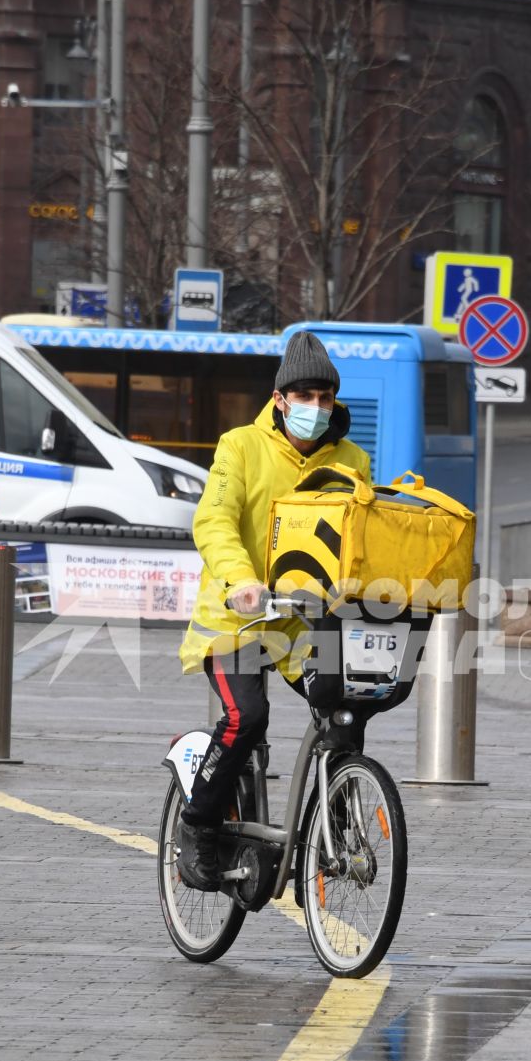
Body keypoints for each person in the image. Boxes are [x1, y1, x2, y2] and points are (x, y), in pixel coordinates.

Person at [172, 332, 371, 891]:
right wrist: (240, 582)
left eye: (324, 396)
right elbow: (213, 520)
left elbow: (362, 538)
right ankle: (198, 827)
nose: (314, 407)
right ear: (279, 398)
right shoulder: (240, 446)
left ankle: (329, 838)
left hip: (307, 623)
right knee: (246, 718)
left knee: (345, 713)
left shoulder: (352, 459)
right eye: (303, 395)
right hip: (239, 618)